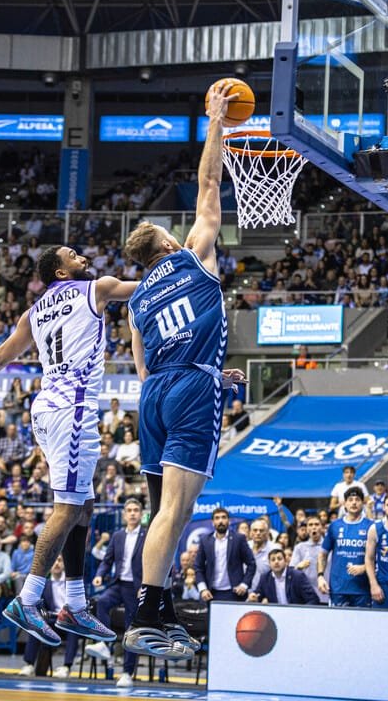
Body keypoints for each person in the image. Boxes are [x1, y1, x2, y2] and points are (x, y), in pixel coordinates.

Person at [0, 244, 137, 649]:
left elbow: (0, 357)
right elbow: (149, 285)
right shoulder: (97, 288)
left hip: (46, 409)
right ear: (60, 273)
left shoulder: (32, 313)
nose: (81, 255)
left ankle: (76, 605)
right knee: (67, 509)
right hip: (72, 409)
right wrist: (187, 264)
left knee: (83, 506)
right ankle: (28, 599)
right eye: (72, 255)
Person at [120, 81, 246, 660]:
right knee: (177, 509)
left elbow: (146, 365)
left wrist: (206, 371)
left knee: (162, 510)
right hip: (191, 388)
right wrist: (217, 121)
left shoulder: (136, 300)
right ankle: (145, 611)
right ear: (170, 241)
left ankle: (161, 607)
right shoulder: (194, 252)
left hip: (155, 396)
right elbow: (210, 183)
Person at [86, 499, 146, 688]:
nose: (132, 513)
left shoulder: (147, 536)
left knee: (131, 631)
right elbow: (107, 559)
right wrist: (99, 575)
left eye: (136, 510)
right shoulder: (118, 535)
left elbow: (153, 563)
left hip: (136, 588)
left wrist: (146, 585)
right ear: (124, 514)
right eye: (129, 510)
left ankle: (127, 673)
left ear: (142, 513)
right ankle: (104, 643)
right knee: (101, 602)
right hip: (118, 583)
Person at [317, 486, 374, 607]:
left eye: (357, 499)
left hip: (362, 590)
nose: (354, 502)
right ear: (345, 504)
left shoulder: (371, 526)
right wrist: (320, 576)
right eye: (350, 499)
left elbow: (380, 555)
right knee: (337, 625)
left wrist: (365, 567)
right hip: (338, 589)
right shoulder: (335, 526)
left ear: (363, 504)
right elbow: (323, 554)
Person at [194, 507, 256, 602]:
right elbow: (198, 567)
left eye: (224, 517)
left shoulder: (239, 539)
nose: (221, 521)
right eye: (217, 518)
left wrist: (244, 585)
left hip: (235, 593)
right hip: (210, 593)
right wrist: (203, 589)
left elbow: (251, 564)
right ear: (213, 522)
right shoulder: (205, 540)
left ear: (229, 521)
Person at [251, 548, 319, 605]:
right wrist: (254, 596)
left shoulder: (297, 576)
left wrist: (303, 613)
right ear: (269, 563)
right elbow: (258, 594)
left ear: (286, 561)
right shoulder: (265, 578)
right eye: (273, 560)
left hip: (298, 615)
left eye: (279, 559)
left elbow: (313, 599)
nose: (276, 562)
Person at [290, 516, 328, 604]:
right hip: (306, 596)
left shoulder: (329, 547)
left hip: (326, 593)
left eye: (316, 524)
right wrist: (298, 567)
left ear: (322, 528)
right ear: (307, 529)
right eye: (310, 525)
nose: (313, 527)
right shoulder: (299, 547)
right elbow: (291, 572)